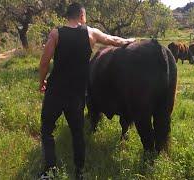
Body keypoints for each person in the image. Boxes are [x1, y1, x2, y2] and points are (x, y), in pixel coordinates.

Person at [38, 2, 135, 179]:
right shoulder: (91, 33)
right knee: (77, 133)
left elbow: (44, 62)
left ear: (67, 16)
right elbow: (114, 40)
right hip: (77, 94)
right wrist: (131, 41)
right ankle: (80, 172)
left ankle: (49, 172)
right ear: (82, 16)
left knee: (47, 131)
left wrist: (41, 81)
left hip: (56, 92)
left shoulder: (56, 33)